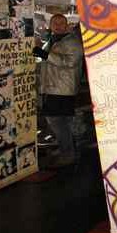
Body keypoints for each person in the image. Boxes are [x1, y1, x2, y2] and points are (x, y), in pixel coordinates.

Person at [33, 14, 84, 168]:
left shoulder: (72, 42)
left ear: (67, 25)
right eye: (55, 23)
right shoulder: (52, 40)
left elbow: (69, 62)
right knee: (61, 122)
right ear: (50, 25)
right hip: (52, 88)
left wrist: (42, 53)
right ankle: (67, 150)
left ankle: (68, 155)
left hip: (62, 90)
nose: (58, 25)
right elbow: (43, 61)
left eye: (62, 23)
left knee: (58, 123)